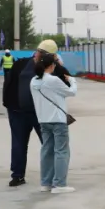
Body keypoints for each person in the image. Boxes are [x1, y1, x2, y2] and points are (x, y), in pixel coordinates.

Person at [3, 40, 70, 187]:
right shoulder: (51, 67)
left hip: (30, 113)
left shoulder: (21, 64)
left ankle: (20, 176)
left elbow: (8, 84)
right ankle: (48, 179)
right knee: (47, 145)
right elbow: (68, 85)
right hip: (32, 113)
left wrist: (9, 105)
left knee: (24, 144)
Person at [29, 51, 78, 194]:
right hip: (58, 121)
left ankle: (46, 183)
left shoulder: (33, 81)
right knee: (61, 151)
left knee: (47, 151)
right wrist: (72, 81)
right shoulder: (53, 80)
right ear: (51, 65)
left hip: (43, 120)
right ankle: (60, 184)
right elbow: (71, 92)